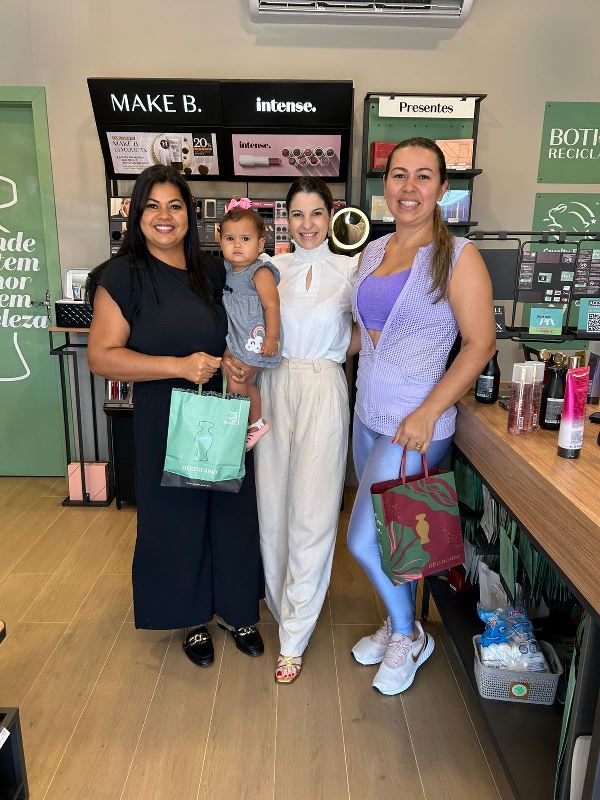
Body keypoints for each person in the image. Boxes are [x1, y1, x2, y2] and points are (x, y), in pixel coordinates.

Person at [87, 164, 264, 668]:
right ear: (136, 214)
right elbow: (101, 357)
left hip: (221, 409)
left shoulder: (212, 270)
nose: (164, 216)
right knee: (178, 519)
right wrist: (178, 366)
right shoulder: (122, 276)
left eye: (175, 206)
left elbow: (247, 317)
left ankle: (237, 610)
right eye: (152, 206)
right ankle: (191, 618)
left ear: (190, 214)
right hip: (165, 414)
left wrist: (240, 361)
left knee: (231, 511)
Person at [347, 137, 496, 695]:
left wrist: (430, 410)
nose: (408, 187)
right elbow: (365, 336)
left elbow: (480, 344)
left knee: (365, 540)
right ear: (384, 184)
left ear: (442, 188)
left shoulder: (459, 256)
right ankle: (396, 622)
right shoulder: (372, 252)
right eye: (398, 175)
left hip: (415, 425)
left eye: (423, 176)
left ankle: (410, 637)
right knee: (396, 539)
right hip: (368, 413)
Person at [225, 177, 358, 684]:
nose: (307, 224)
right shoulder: (268, 267)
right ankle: (283, 611)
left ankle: (295, 635)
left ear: (331, 215)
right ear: (284, 220)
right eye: (297, 214)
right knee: (274, 505)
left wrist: (329, 356)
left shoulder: (351, 270)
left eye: (316, 213)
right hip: (273, 383)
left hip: (323, 385)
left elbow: (364, 334)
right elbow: (243, 324)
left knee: (314, 512)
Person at [219, 198, 282, 450]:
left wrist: (272, 338)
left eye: (245, 239)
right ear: (220, 241)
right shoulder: (227, 269)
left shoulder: (260, 271)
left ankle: (237, 424)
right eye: (230, 238)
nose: (237, 245)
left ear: (260, 244)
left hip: (255, 336)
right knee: (243, 381)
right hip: (238, 334)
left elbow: (272, 306)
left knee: (236, 377)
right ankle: (255, 423)